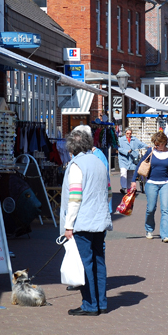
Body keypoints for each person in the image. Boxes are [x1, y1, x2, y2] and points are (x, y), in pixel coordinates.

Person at [61, 130, 112, 316]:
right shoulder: (99, 162)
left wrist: (68, 225)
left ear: (72, 148)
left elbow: (74, 197)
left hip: (83, 220)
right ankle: (102, 302)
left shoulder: (76, 165)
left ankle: (90, 304)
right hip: (100, 219)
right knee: (99, 261)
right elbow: (108, 191)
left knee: (85, 263)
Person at [131, 131, 168, 243]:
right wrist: (134, 180)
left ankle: (165, 235)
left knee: (165, 209)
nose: (156, 146)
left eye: (158, 144)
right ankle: (149, 229)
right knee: (151, 208)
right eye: (155, 144)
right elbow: (140, 164)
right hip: (151, 182)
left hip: (166, 183)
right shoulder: (151, 151)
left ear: (164, 142)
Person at [117, 127, 146, 195]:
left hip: (132, 160)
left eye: (130, 133)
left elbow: (141, 144)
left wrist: (148, 146)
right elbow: (119, 148)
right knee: (123, 173)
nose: (129, 135)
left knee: (130, 175)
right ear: (125, 133)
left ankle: (129, 188)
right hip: (123, 159)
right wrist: (126, 151)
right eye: (127, 133)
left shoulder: (134, 139)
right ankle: (123, 187)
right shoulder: (121, 140)